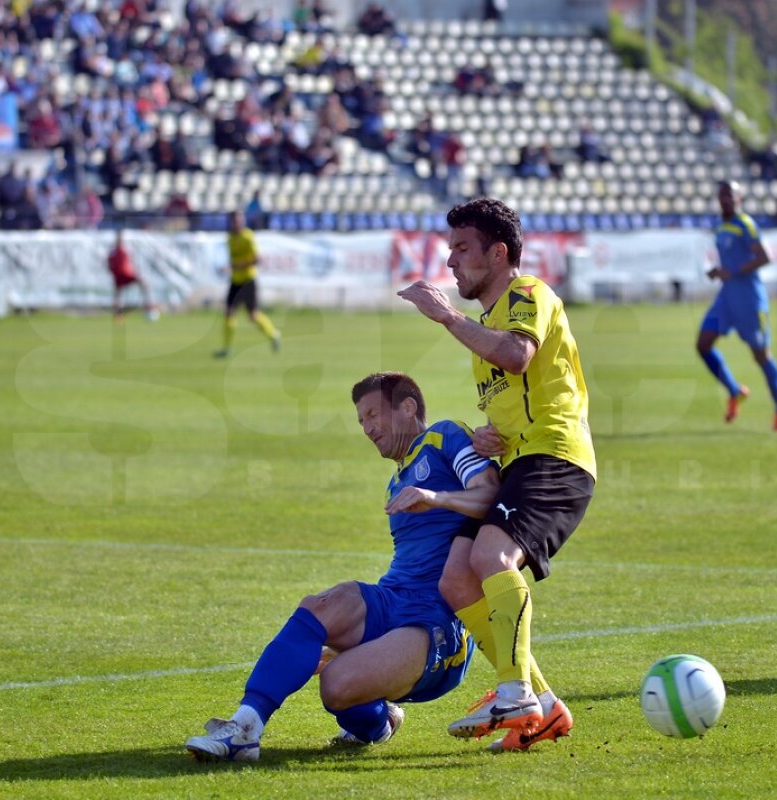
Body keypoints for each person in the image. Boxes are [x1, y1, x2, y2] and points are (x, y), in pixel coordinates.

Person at [185, 372, 500, 761]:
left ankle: (377, 718)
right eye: (361, 421)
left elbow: (492, 496)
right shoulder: (397, 477)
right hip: (394, 597)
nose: (367, 428)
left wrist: (435, 497)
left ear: (407, 407)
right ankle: (246, 726)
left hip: (439, 622)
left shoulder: (444, 436)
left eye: (372, 415)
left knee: (335, 685)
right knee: (320, 605)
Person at [398, 197, 596, 752]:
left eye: (462, 248)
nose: (451, 262)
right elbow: (512, 392)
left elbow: (517, 355)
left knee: (492, 559)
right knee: (457, 577)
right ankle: (544, 705)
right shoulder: (485, 324)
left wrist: (445, 316)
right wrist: (490, 437)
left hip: (555, 457)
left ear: (498, 252)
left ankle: (514, 693)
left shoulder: (527, 293)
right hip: (518, 462)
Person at [698, 180, 777, 431]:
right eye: (722, 195)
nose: (726, 199)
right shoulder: (720, 228)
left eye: (731, 195)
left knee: (761, 355)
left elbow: (764, 257)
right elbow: (729, 263)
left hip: (749, 300)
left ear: (739, 198)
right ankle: (734, 391)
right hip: (727, 299)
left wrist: (733, 271)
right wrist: (718, 272)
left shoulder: (746, 224)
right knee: (703, 344)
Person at [215, 210, 280, 357]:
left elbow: (257, 259)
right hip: (235, 281)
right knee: (228, 313)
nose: (237, 223)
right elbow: (233, 260)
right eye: (234, 221)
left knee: (253, 316)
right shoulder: (230, 238)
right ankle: (227, 348)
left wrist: (236, 266)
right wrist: (229, 268)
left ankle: (273, 334)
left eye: (239, 220)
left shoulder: (248, 237)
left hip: (248, 281)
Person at [107, 229, 158, 320]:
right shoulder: (113, 251)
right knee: (118, 294)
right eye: (119, 238)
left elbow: (129, 263)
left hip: (128, 274)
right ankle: (118, 314)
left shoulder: (126, 249)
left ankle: (148, 307)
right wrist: (113, 272)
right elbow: (109, 263)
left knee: (144, 284)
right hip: (119, 275)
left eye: (122, 238)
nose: (120, 240)